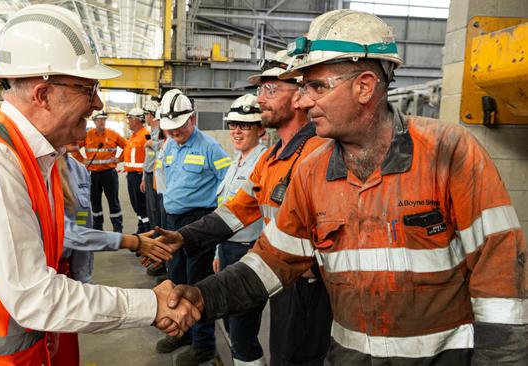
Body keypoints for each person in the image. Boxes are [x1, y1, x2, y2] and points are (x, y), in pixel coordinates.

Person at [164, 9, 528, 365]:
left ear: (365, 86)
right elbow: (272, 262)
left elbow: (501, 277)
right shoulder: (311, 173)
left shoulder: (449, 152)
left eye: (316, 86)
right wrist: (202, 297)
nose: (304, 100)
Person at [0, 5, 198, 364]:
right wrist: (150, 304)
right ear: (43, 95)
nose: (97, 103)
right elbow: (34, 297)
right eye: (88, 88)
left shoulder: (35, 157)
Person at [146, 51, 333, 366]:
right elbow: (236, 210)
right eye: (261, 90)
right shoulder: (274, 157)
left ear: (301, 95)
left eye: (271, 89)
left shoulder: (317, 154)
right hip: (282, 274)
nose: (261, 99)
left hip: (308, 283)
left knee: (295, 358)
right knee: (277, 352)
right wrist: (184, 237)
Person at [52, 142, 173, 366]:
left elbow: (80, 223)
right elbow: (65, 234)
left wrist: (82, 275)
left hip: (68, 271)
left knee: (66, 352)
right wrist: (129, 241)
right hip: (48, 273)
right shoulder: (41, 171)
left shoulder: (77, 169)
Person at [155, 89, 231, 366]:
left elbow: (229, 185)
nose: (175, 134)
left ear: (193, 120)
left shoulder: (211, 147)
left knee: (197, 286)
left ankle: (204, 345)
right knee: (174, 280)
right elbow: (165, 179)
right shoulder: (170, 145)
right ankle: (182, 331)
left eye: (179, 128)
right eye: (170, 130)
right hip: (172, 222)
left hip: (199, 223)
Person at [215, 94, 268, 365]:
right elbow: (223, 208)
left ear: (261, 129)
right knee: (230, 321)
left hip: (249, 254)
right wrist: (217, 251)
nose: (236, 130)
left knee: (243, 331)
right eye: (233, 124)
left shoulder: (265, 163)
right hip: (227, 251)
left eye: (245, 125)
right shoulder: (235, 161)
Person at [78, 110, 127, 232]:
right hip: (93, 175)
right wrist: (82, 160)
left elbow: (128, 146)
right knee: (95, 203)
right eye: (99, 119)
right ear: (94, 121)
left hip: (109, 174)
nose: (102, 122)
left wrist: (119, 159)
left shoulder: (113, 134)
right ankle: (97, 228)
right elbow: (74, 147)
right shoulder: (87, 135)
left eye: (104, 119)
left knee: (113, 202)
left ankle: (117, 228)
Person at [142, 100, 168, 277]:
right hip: (154, 179)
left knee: (161, 219)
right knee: (153, 215)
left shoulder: (164, 138)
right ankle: (157, 253)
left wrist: (154, 144)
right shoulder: (155, 135)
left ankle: (161, 257)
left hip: (163, 184)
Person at [124, 107, 151, 233]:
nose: (128, 121)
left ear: (138, 120)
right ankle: (141, 230)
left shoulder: (145, 136)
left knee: (142, 207)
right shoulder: (133, 136)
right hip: (131, 176)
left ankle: (147, 233)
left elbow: (150, 159)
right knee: (137, 206)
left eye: (130, 118)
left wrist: (144, 179)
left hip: (140, 176)